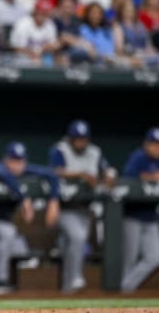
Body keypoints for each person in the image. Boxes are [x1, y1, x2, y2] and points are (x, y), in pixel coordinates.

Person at [0, 142, 60, 293]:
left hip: (2, 225)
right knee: (8, 232)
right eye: (13, 161)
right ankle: (0, 281)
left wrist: (54, 200)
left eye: (20, 161)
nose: (17, 165)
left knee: (8, 236)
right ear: (6, 160)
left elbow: (51, 175)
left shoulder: (24, 170)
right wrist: (24, 198)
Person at [49, 119, 115, 293]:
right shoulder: (60, 149)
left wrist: (108, 176)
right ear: (70, 138)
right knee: (77, 237)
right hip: (64, 207)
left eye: (83, 138)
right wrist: (82, 175)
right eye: (77, 138)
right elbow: (55, 171)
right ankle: (75, 278)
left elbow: (106, 171)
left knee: (73, 243)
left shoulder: (94, 152)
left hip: (85, 208)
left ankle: (67, 288)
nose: (80, 142)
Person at [120, 127, 159, 292]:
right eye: (153, 144)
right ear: (146, 144)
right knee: (129, 259)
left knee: (155, 258)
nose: (157, 147)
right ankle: (120, 298)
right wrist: (155, 177)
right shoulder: (138, 157)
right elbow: (130, 179)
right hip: (132, 215)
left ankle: (125, 288)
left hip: (151, 216)